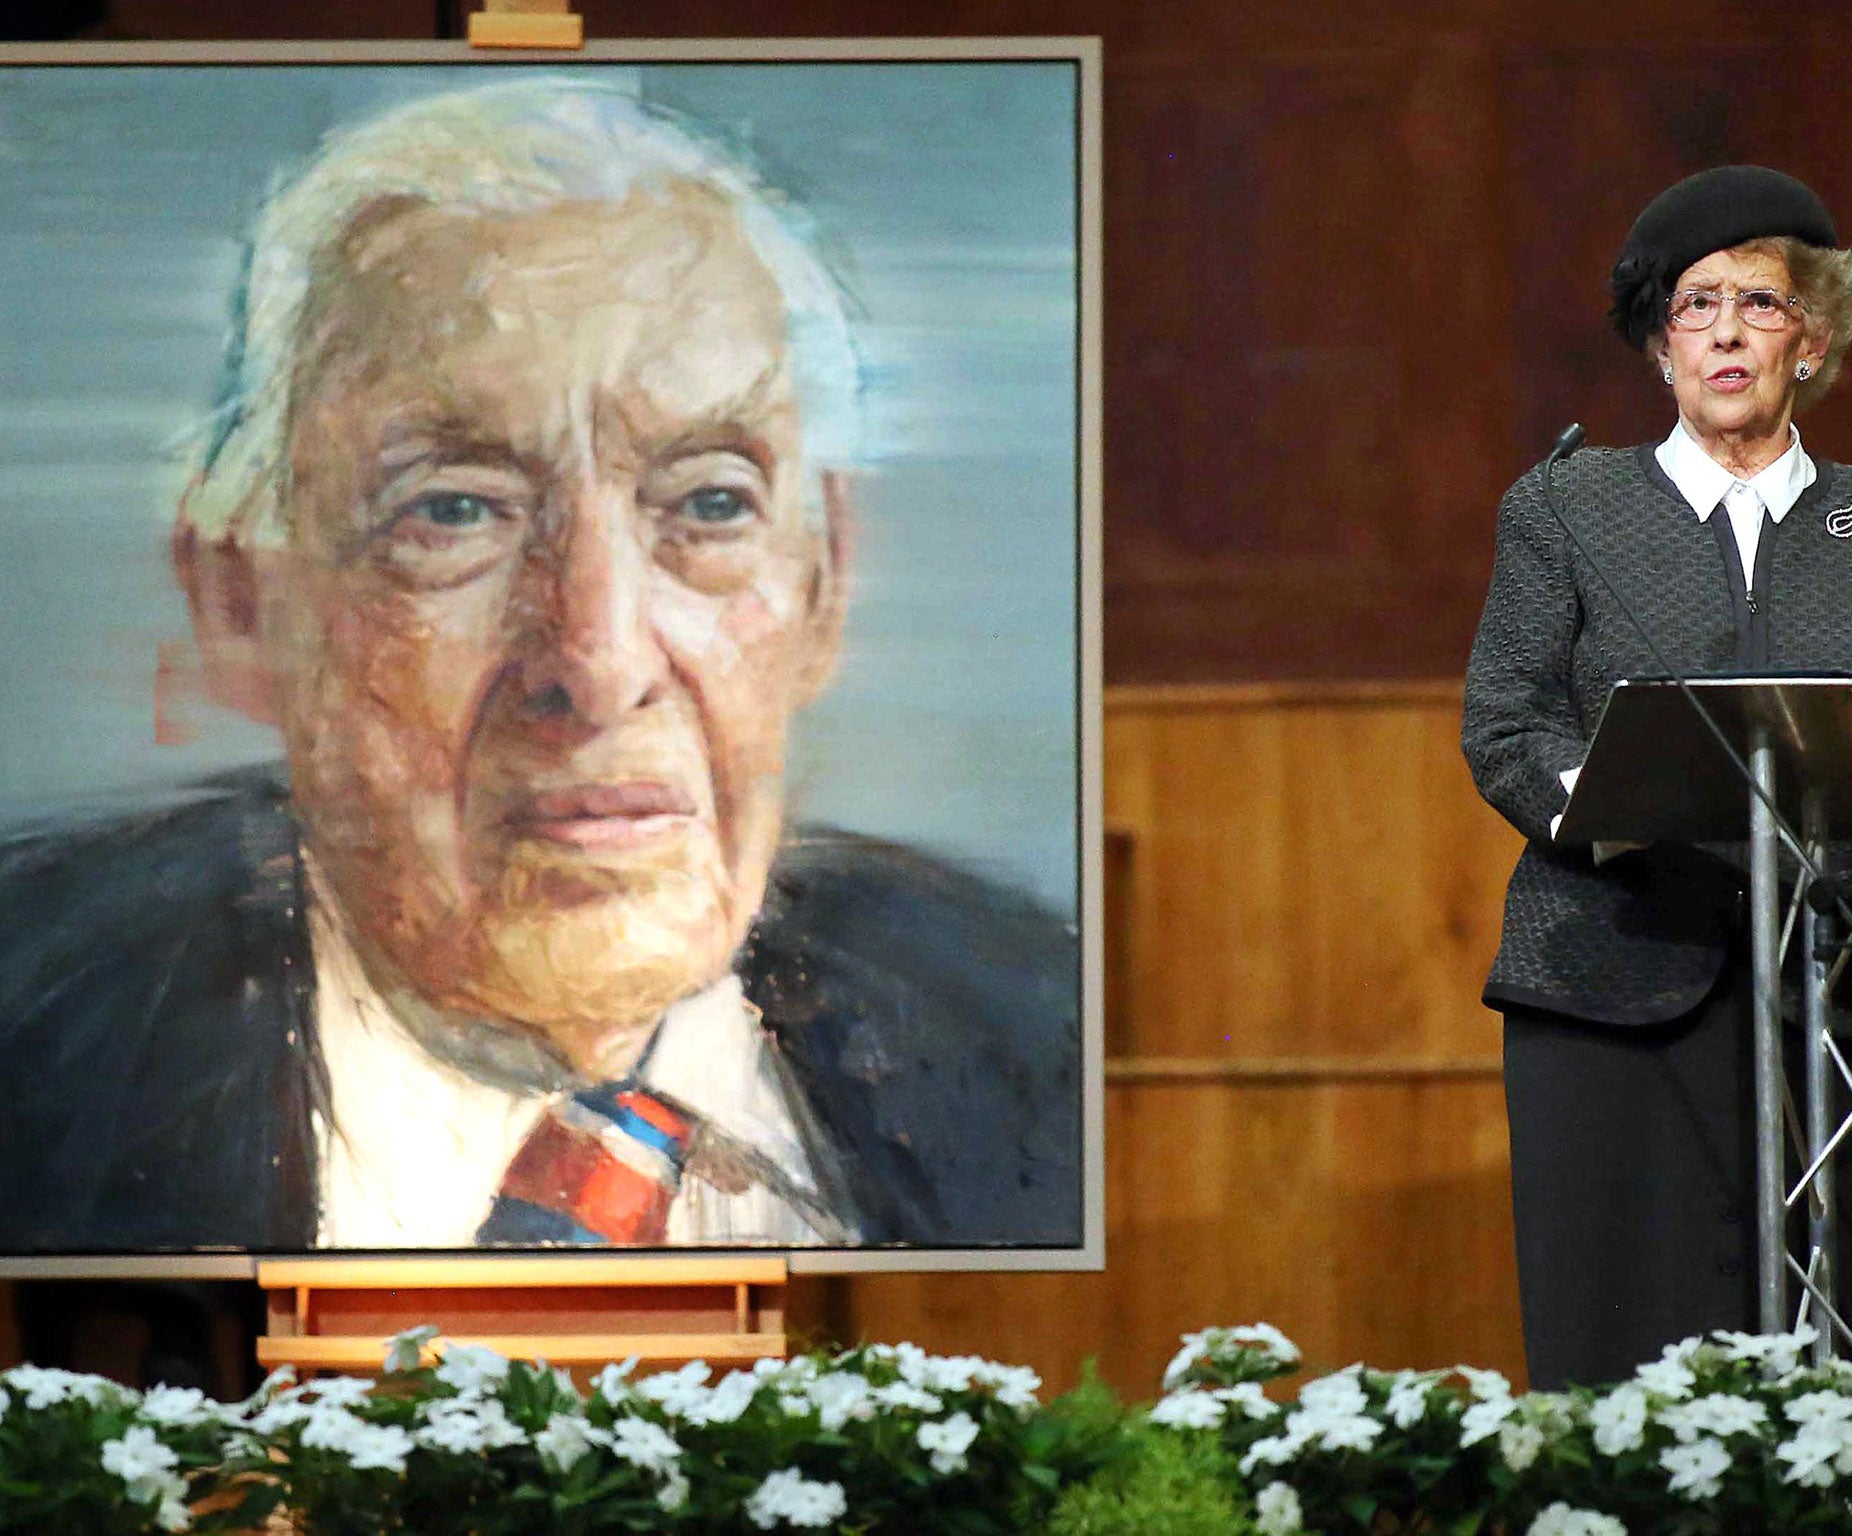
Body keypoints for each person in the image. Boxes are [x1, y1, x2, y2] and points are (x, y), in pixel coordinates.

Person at [0, 81, 1079, 1254]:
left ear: (822, 586)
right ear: (243, 603)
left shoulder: (1032, 1035)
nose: (598, 662)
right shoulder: (37, 1043)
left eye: (709, 502)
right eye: (454, 510)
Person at [1462, 166, 1852, 1388]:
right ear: (1660, 347)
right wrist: (1608, 804)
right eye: (1694, 306)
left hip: (1834, 990)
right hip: (1610, 984)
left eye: (1759, 301)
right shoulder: (1564, 508)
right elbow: (1504, 727)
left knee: (1827, 1374)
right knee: (1616, 1371)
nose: (1725, 331)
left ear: (1812, 339)